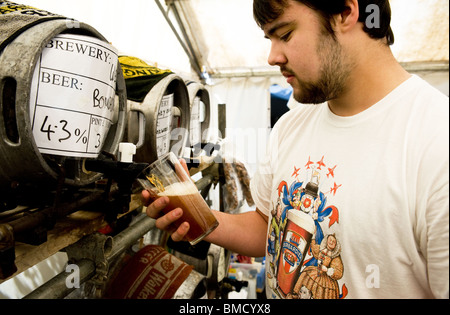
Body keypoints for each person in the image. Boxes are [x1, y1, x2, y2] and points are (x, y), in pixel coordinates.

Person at [142, 0, 449, 299]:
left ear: (346, 12)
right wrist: (200, 216)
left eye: (285, 34)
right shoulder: (292, 125)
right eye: (270, 38)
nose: (272, 57)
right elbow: (269, 227)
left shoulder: (435, 139)